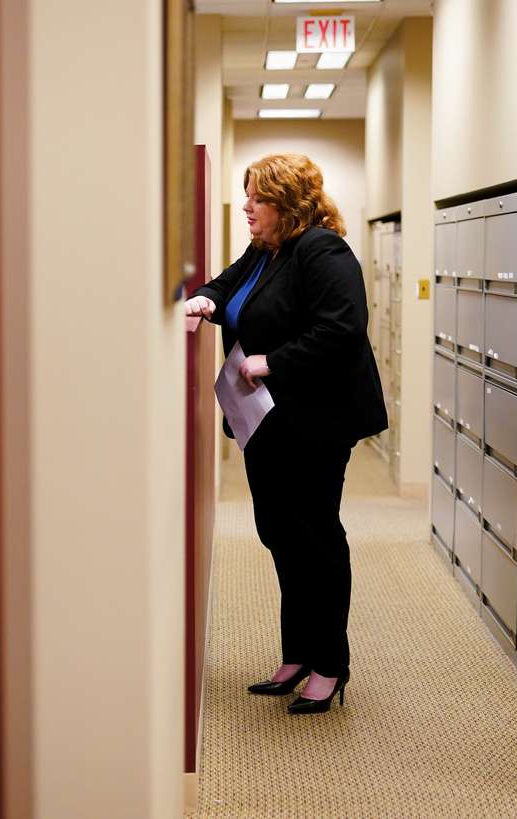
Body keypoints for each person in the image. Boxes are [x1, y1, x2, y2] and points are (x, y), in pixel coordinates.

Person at [185, 153, 387, 715]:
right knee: (279, 533)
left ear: (289, 204)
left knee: (315, 538)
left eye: (259, 198)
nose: (247, 207)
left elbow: (343, 328)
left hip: (316, 420)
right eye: (247, 195)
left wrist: (271, 361)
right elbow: (226, 286)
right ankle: (298, 654)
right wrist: (205, 299)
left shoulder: (322, 250)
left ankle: (330, 664)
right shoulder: (264, 249)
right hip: (266, 420)